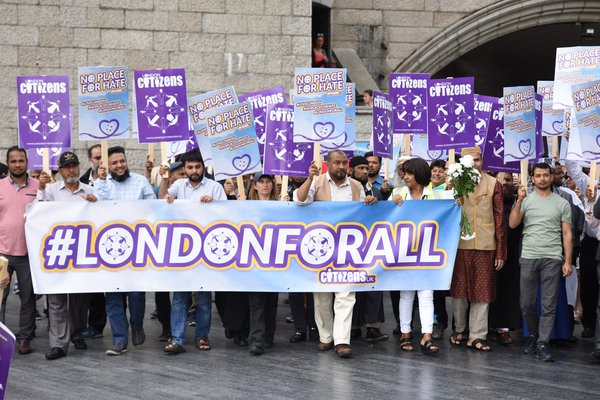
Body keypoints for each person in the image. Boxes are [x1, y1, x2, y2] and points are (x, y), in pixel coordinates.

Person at [294, 150, 377, 358]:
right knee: (321, 296)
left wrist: (369, 202)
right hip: (321, 248)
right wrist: (309, 178)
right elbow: (300, 201)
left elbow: (366, 213)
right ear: (328, 165)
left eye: (344, 163)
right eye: (337, 163)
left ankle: (342, 341)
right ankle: (326, 337)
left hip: (348, 249)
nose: (341, 166)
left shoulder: (356, 186)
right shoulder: (317, 182)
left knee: (345, 295)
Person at [159, 150, 225, 354]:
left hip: (207, 249)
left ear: (203, 167)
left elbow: (228, 215)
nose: (194, 171)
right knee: (180, 296)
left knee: (204, 296)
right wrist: (167, 192)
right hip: (182, 249)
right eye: (190, 167)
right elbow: (161, 201)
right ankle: (177, 338)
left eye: (197, 167)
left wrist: (215, 204)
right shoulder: (178, 186)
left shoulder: (215, 187)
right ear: (184, 168)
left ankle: (202, 336)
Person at [94, 146, 156, 356]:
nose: (120, 166)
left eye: (122, 161)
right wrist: (100, 181)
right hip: (110, 250)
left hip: (137, 249)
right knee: (112, 296)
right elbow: (96, 208)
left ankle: (136, 325)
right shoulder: (101, 184)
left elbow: (153, 210)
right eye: (114, 163)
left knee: (137, 294)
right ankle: (119, 338)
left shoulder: (140, 182)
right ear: (106, 165)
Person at [36, 151, 97, 360]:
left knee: (80, 299)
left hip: (81, 252)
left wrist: (95, 203)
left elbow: (101, 216)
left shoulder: (89, 189)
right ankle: (58, 344)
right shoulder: (51, 190)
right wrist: (41, 189)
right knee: (56, 300)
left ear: (79, 167)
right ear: (60, 171)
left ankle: (77, 332)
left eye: (74, 165)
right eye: (67, 166)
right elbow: (38, 212)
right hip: (57, 251)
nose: (72, 170)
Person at [510, 162, 572, 362]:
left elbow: (567, 233)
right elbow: (512, 224)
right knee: (526, 303)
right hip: (529, 256)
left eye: (546, 175)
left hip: (553, 258)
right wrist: (519, 201)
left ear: (551, 176)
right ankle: (535, 335)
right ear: (532, 178)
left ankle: (543, 343)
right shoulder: (525, 199)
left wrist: (568, 261)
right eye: (538, 175)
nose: (543, 178)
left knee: (549, 304)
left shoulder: (561, 202)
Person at [449, 146, 506, 352]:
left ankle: (477, 335)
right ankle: (459, 329)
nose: (475, 163)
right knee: (459, 291)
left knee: (483, 292)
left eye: (478, 160)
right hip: (459, 245)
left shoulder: (494, 184)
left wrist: (501, 251)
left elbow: (500, 220)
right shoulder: (454, 183)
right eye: (470, 160)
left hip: (485, 244)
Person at [390, 157, 448, 355]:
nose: (405, 176)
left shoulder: (437, 195)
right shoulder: (397, 194)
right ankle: (405, 333)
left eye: (409, 173)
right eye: (404, 173)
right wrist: (393, 205)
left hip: (428, 252)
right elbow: (385, 219)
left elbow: (449, 215)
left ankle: (426, 336)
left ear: (420, 174)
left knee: (426, 293)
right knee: (406, 294)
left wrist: (457, 203)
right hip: (404, 252)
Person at [0, 147, 38, 355]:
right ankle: (1, 337)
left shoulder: (39, 186)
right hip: (2, 253)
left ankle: (25, 338)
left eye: (21, 160)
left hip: (28, 253)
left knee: (28, 299)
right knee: (0, 298)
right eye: (13, 161)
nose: (17, 164)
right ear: (7, 163)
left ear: (26, 162)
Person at [348, 156, 388, 342]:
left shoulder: (375, 190)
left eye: (367, 168)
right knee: (353, 287)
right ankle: (354, 326)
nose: (365, 171)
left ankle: (373, 326)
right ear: (351, 170)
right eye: (361, 168)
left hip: (372, 245)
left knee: (373, 286)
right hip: (349, 246)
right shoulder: (346, 190)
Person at [245, 172, 281, 355]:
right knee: (257, 301)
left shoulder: (281, 206)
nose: (265, 185)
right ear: (255, 186)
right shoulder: (246, 206)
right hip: (254, 260)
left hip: (274, 259)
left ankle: (268, 336)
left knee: (271, 300)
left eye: (269, 182)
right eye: (262, 182)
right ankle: (257, 339)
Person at [488, 172, 522, 344]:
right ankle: (486, 327)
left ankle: (504, 329)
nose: (504, 183)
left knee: (508, 289)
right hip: (489, 249)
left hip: (513, 250)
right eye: (500, 180)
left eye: (508, 180)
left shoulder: (519, 201)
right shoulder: (489, 199)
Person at [79, 144, 107, 340]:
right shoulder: (80, 183)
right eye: (97, 158)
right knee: (93, 289)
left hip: (111, 238)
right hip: (89, 240)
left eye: (103, 157)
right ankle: (95, 325)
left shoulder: (116, 180)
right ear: (91, 160)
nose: (101, 162)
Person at [429, 159, 449, 339]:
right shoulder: (424, 190)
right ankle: (435, 321)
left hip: (447, 243)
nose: (436, 174)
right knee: (432, 288)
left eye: (440, 171)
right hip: (428, 245)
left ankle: (445, 322)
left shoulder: (450, 191)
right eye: (434, 170)